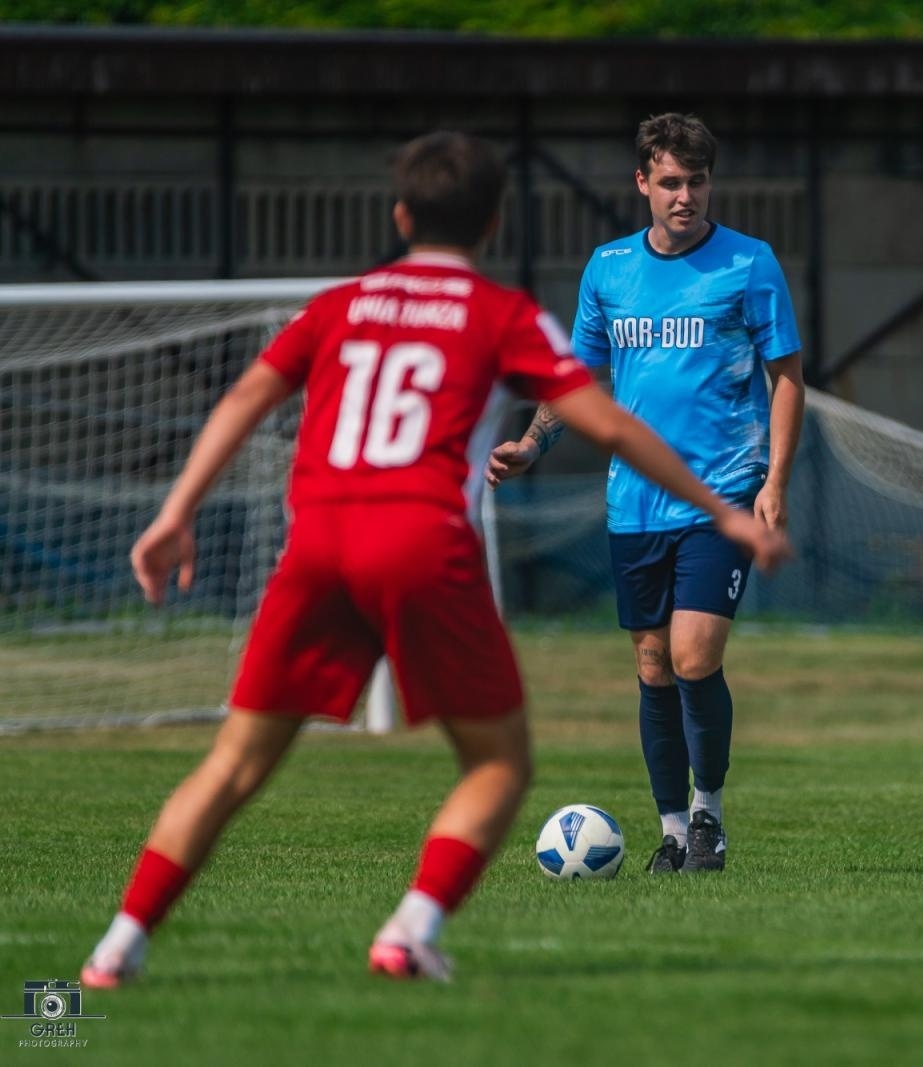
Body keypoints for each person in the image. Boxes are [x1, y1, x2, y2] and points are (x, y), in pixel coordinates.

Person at [79, 130, 790, 986]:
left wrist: (174, 511)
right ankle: (409, 930)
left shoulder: (341, 304)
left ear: (401, 214)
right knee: (499, 763)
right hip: (420, 542)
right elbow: (609, 421)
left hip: (317, 543)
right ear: (493, 222)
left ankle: (117, 944)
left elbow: (246, 395)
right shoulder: (501, 315)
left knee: (231, 763)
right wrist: (727, 512)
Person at [487, 113, 805, 875]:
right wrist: (532, 445)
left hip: (721, 495)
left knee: (696, 654)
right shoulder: (609, 270)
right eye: (670, 181)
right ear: (643, 183)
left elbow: (786, 377)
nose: (684, 195)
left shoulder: (750, 264)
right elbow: (578, 381)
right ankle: (669, 830)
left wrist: (774, 483)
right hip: (633, 503)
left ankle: (709, 819)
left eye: (696, 181)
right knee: (655, 661)